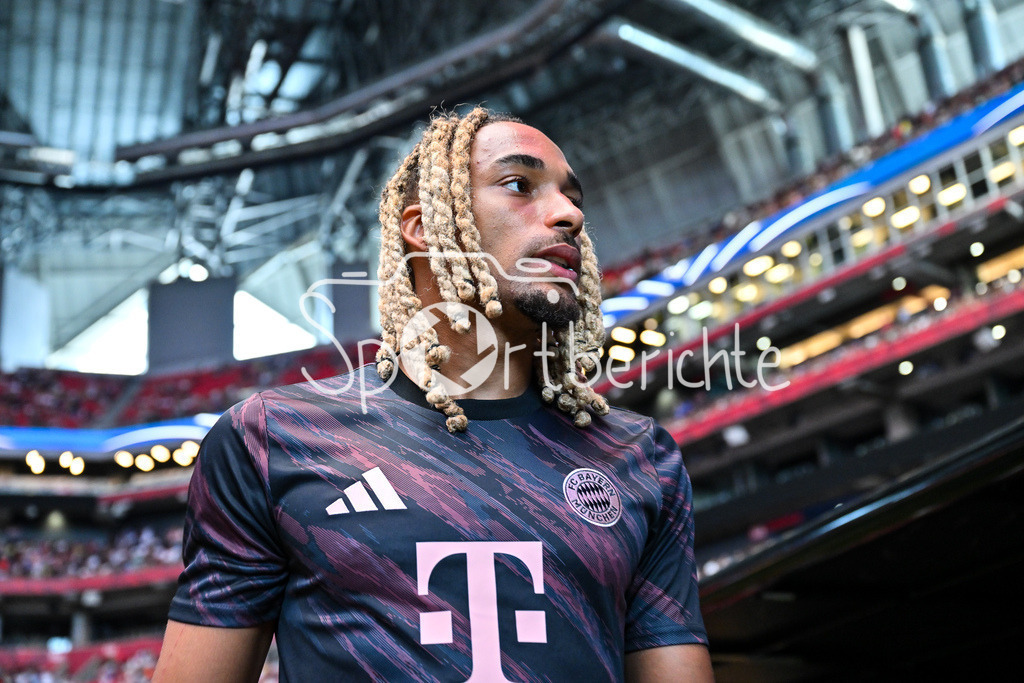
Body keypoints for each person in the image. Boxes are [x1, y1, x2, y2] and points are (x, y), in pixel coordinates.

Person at [153, 107, 712, 682]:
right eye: (519, 185)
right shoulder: (273, 439)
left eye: (573, 198)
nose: (569, 214)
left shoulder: (641, 457)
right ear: (423, 228)